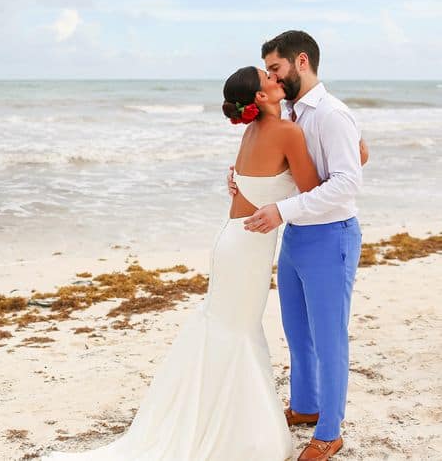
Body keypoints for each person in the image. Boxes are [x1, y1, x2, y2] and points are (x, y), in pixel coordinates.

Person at [42, 66, 320, 460]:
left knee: (228, 328)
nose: (277, 79)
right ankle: (237, 432)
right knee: (237, 331)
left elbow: (254, 183)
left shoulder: (252, 132)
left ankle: (219, 419)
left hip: (232, 239)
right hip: (248, 247)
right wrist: (355, 156)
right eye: (269, 78)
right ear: (260, 97)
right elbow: (312, 189)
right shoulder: (288, 132)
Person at [231, 30, 364, 461]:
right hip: (296, 236)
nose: (271, 75)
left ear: (300, 61)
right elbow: (345, 157)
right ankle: (305, 406)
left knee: (329, 338)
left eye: (274, 68)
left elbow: (346, 184)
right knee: (297, 331)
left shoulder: (330, 114)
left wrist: (283, 209)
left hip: (330, 236)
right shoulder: (290, 112)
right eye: (267, 69)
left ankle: (329, 431)